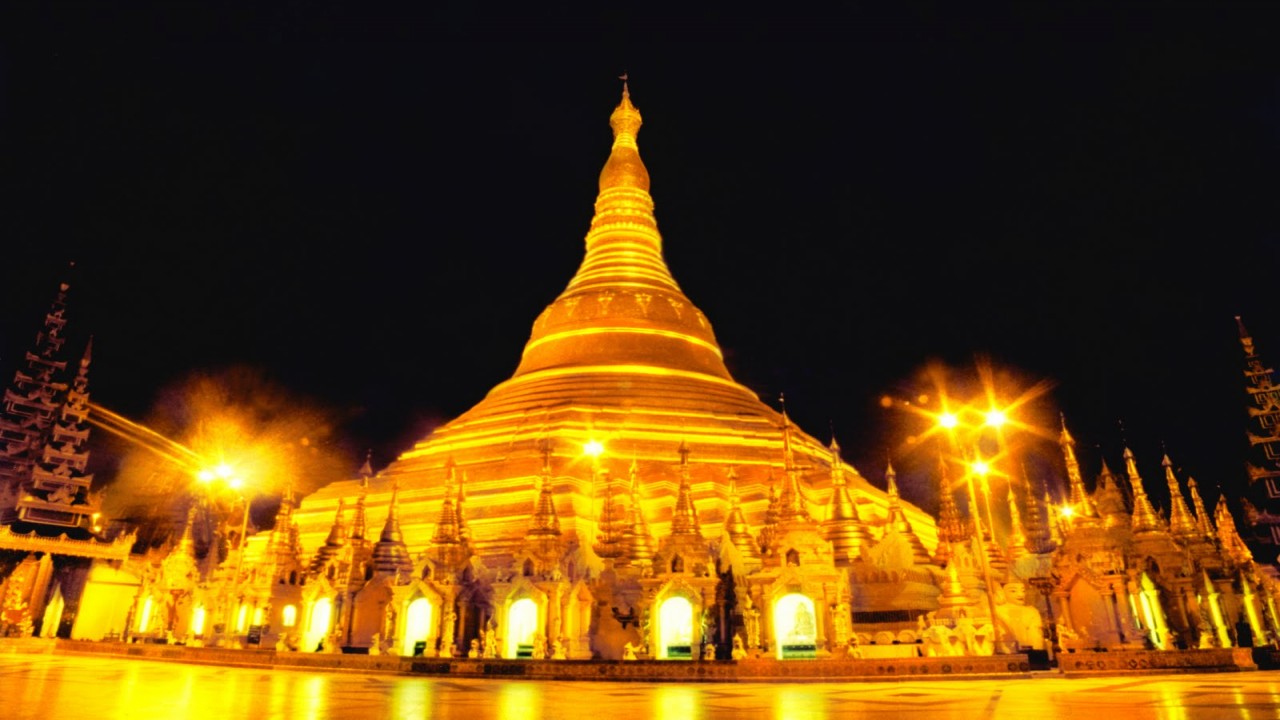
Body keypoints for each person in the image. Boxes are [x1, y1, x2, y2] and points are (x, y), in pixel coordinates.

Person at [994, 581, 1045, 650]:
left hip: (1028, 650)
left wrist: (1036, 651)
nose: (1020, 594)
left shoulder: (1031, 611)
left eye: (1023, 591)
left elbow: (1036, 635)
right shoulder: (997, 610)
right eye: (1013, 591)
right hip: (1007, 649)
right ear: (1003, 593)